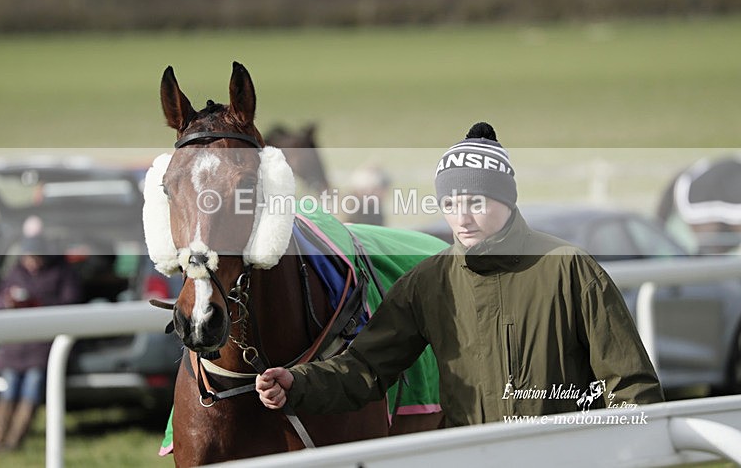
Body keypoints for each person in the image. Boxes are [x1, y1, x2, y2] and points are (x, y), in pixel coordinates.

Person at [256, 122, 663, 427]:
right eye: (450, 204)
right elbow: (366, 368)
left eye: (476, 202)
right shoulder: (427, 282)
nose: (462, 218)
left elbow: (631, 387)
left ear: (507, 200)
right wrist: (298, 383)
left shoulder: (570, 267)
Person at [0, 223, 82, 451]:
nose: (31, 261)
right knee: (9, 388)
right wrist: (8, 302)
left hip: (43, 346)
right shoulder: (15, 273)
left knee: (32, 386)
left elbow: (71, 304)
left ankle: (14, 443)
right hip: (15, 346)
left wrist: (39, 304)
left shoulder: (62, 272)